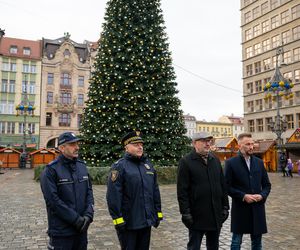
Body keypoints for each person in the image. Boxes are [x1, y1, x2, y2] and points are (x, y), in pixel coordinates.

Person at [106, 131, 163, 250]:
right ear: (126, 147)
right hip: (129, 223)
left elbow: (155, 191)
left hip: (146, 222)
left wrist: (158, 213)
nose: (140, 147)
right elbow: (113, 196)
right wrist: (118, 220)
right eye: (136, 144)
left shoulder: (148, 166)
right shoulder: (119, 167)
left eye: (141, 144)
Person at [40, 132, 94, 250]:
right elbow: (53, 201)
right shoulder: (51, 170)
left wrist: (88, 215)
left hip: (81, 230)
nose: (77, 147)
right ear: (62, 148)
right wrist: (76, 220)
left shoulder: (82, 166)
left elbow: (89, 192)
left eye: (77, 144)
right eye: (72, 144)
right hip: (61, 233)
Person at [177, 132, 229, 250]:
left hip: (215, 214)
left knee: (213, 246)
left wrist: (225, 207)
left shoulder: (215, 160)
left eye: (209, 141)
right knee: (194, 246)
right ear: (194, 143)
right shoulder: (186, 162)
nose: (207, 144)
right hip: (196, 215)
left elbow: (222, 185)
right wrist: (185, 213)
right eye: (204, 141)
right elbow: (182, 191)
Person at [224, 133, 271, 250]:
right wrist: (243, 196)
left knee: (257, 243)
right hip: (240, 208)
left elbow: (267, 185)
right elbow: (226, 186)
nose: (251, 147)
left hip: (257, 208)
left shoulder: (259, 163)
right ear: (239, 146)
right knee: (236, 242)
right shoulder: (231, 163)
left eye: (252, 144)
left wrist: (262, 195)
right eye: (248, 144)